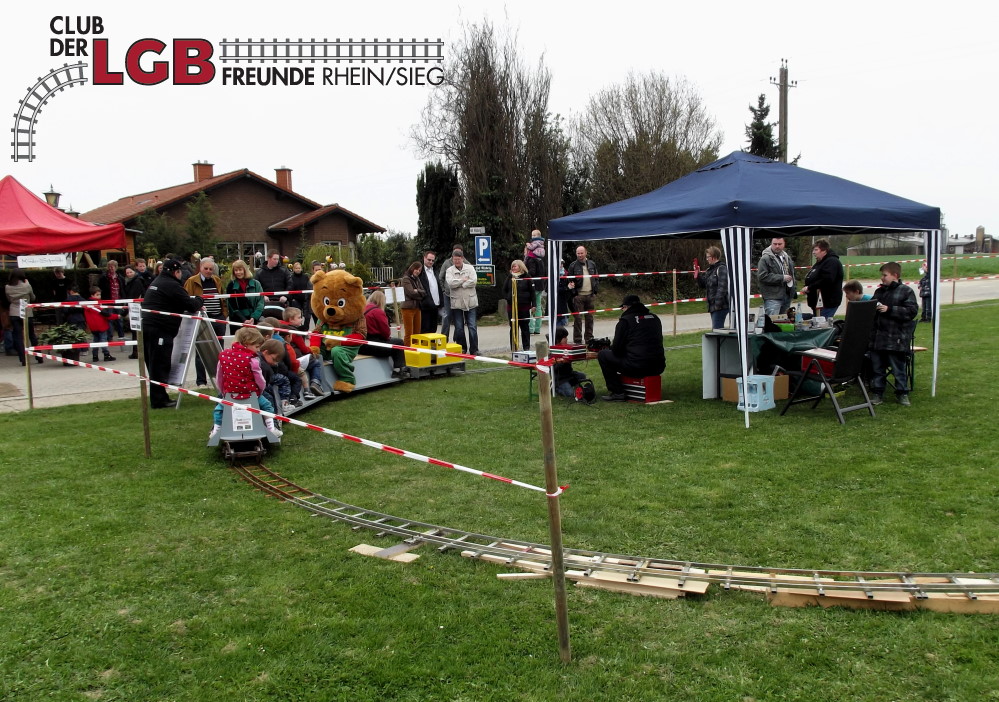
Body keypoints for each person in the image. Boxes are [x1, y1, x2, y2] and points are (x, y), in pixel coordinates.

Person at [140, 258, 203, 409]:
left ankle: (160, 396)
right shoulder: (171, 285)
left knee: (154, 362)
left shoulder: (156, 282)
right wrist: (200, 300)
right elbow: (189, 304)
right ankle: (159, 399)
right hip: (160, 328)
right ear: (176, 272)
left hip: (149, 326)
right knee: (159, 363)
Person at [209, 326, 281, 439]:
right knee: (267, 406)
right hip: (251, 394)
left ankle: (216, 430)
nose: (258, 350)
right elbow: (260, 379)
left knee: (219, 410)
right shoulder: (252, 359)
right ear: (247, 343)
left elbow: (219, 377)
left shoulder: (224, 356)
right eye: (257, 347)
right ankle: (271, 428)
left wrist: (223, 392)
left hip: (230, 394)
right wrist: (260, 391)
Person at [598, 294, 666, 402]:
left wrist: (608, 348)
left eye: (622, 308)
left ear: (626, 307)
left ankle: (617, 392)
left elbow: (616, 350)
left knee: (603, 355)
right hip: (658, 366)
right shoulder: (655, 318)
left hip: (637, 366)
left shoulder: (625, 321)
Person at [869, 262, 918, 407]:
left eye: (885, 275)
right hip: (878, 338)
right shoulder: (879, 292)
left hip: (895, 339)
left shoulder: (906, 291)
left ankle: (902, 393)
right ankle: (877, 393)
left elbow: (911, 312)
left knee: (898, 369)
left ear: (895, 275)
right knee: (877, 368)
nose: (882, 278)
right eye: (882, 275)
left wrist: (890, 309)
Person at [184, 258, 229, 387]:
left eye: (211, 269)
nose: (209, 271)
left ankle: (219, 378)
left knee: (219, 350)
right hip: (202, 319)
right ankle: (201, 380)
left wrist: (224, 315)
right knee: (200, 351)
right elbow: (187, 299)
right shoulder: (191, 281)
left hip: (218, 318)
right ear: (200, 267)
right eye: (206, 269)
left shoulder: (217, 280)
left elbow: (222, 298)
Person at [360, 289, 409, 377]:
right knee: (399, 342)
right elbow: (386, 332)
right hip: (374, 345)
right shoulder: (378, 312)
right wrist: (387, 338)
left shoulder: (363, 310)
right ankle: (398, 370)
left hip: (362, 345)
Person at [282, 306, 323, 397]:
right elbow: (304, 348)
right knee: (315, 362)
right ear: (291, 320)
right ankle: (316, 383)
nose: (301, 319)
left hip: (285, 361)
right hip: (295, 360)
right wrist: (312, 351)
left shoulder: (279, 328)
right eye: (299, 317)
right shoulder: (294, 332)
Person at [444, 250, 479, 355]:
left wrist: (462, 283)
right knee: (459, 327)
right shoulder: (449, 270)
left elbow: (473, 281)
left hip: (470, 302)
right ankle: (462, 348)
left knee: (472, 326)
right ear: (452, 259)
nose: (457, 261)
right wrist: (463, 280)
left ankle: (474, 349)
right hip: (456, 303)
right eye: (455, 259)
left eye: (458, 259)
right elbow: (450, 283)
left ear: (462, 258)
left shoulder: (470, 268)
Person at [5, 269, 41, 366]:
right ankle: (39, 356)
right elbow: (33, 297)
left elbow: (9, 299)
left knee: (18, 336)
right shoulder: (27, 286)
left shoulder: (7, 287)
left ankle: (23, 359)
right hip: (26, 312)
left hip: (14, 312)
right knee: (31, 335)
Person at [802, 238, 844, 318]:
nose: (813, 252)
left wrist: (810, 287)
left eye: (816, 250)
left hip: (827, 302)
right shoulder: (820, 262)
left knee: (822, 323)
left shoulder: (832, 262)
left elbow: (827, 280)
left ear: (824, 251)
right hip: (817, 302)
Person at [566, 246, 598, 344]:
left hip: (590, 295)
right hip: (578, 296)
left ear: (586, 253)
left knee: (589, 318)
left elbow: (596, 278)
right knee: (578, 319)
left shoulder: (592, 264)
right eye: (578, 253)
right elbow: (569, 280)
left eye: (581, 253)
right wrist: (574, 294)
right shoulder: (573, 265)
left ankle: (589, 338)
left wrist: (595, 291)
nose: (580, 255)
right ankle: (578, 340)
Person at [757, 236, 796, 317]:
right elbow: (762, 276)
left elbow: (791, 273)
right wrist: (782, 278)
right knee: (772, 322)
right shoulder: (765, 258)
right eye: (775, 244)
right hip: (772, 297)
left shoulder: (786, 257)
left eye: (779, 244)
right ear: (771, 244)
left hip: (786, 296)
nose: (777, 246)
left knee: (784, 322)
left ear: (784, 244)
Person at [693, 245, 729, 329]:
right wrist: (698, 274)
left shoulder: (722, 268)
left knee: (717, 329)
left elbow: (722, 287)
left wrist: (717, 304)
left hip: (720, 306)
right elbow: (703, 284)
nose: (707, 259)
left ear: (713, 257)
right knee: (716, 329)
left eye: (708, 257)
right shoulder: (709, 270)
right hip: (712, 306)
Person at [225, 259, 265, 333]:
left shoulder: (256, 284)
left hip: (254, 320)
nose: (238, 272)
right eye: (236, 270)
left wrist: (254, 317)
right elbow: (231, 306)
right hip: (237, 322)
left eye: (240, 270)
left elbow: (261, 302)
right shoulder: (231, 285)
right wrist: (244, 320)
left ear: (245, 270)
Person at [503, 260, 535, 352]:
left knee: (525, 327)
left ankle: (526, 347)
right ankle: (514, 348)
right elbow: (504, 289)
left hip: (524, 306)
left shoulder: (527, 277)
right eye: (512, 266)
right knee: (513, 327)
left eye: (515, 266)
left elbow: (532, 292)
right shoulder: (510, 277)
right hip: (512, 307)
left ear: (520, 267)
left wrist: (534, 304)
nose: (513, 268)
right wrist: (508, 298)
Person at [437, 244, 464, 342]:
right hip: (447, 295)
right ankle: (444, 340)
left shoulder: (466, 263)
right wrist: (444, 290)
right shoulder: (446, 263)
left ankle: (457, 340)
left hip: (459, 295)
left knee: (459, 320)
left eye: (459, 252)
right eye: (455, 252)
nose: (457, 254)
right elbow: (440, 277)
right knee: (446, 317)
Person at [83, 286, 118, 362]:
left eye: (99, 294)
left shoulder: (86, 305)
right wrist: (117, 316)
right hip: (101, 325)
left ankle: (95, 356)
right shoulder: (98, 304)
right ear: (92, 295)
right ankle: (106, 354)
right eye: (97, 295)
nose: (99, 296)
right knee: (103, 340)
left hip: (93, 326)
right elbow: (105, 315)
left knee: (95, 341)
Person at [552, 327, 587, 398]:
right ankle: (556, 389)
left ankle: (572, 386)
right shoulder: (554, 351)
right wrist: (563, 362)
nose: (567, 339)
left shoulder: (566, 348)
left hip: (569, 374)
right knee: (570, 394)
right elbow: (554, 368)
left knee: (582, 376)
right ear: (558, 339)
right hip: (560, 378)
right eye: (565, 337)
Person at [256, 251, 292, 318]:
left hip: (282, 302)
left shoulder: (284, 271)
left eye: (277, 259)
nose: (277, 261)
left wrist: (286, 296)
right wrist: (262, 296)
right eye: (274, 259)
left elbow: (290, 284)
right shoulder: (259, 272)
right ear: (268, 258)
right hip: (266, 303)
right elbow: (256, 287)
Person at [123, 265, 148, 358]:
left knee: (136, 330)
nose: (129, 274)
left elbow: (133, 295)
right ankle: (136, 351)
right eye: (127, 273)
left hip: (136, 307)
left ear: (134, 272)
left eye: (130, 272)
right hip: (134, 307)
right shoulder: (132, 281)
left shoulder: (137, 281)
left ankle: (137, 352)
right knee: (135, 330)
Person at [98, 259, 126, 340]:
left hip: (118, 301)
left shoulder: (120, 277)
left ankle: (121, 336)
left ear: (116, 267)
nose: (111, 268)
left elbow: (122, 289)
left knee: (119, 319)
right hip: (108, 301)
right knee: (109, 319)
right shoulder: (104, 277)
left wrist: (123, 298)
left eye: (112, 267)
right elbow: (101, 288)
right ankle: (110, 337)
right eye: (109, 267)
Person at [524, 231, 547, 334]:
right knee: (538, 306)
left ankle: (531, 328)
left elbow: (532, 271)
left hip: (532, 285)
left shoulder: (530, 259)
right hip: (540, 284)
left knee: (530, 307)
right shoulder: (541, 258)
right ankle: (538, 328)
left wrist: (525, 275)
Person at [400, 261, 425, 346]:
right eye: (416, 269)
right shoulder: (406, 279)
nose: (418, 271)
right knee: (409, 333)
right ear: (412, 268)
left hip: (417, 308)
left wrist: (417, 291)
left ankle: (415, 351)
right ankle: (406, 352)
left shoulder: (417, 279)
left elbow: (424, 292)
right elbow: (411, 292)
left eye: (419, 270)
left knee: (417, 333)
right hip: (407, 308)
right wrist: (419, 293)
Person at [418, 251, 442, 334]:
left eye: (433, 260)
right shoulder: (420, 271)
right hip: (425, 305)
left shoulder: (435, 270)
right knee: (425, 328)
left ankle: (432, 346)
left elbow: (438, 286)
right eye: (429, 260)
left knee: (433, 328)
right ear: (424, 258)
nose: (431, 262)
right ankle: (424, 347)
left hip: (436, 304)